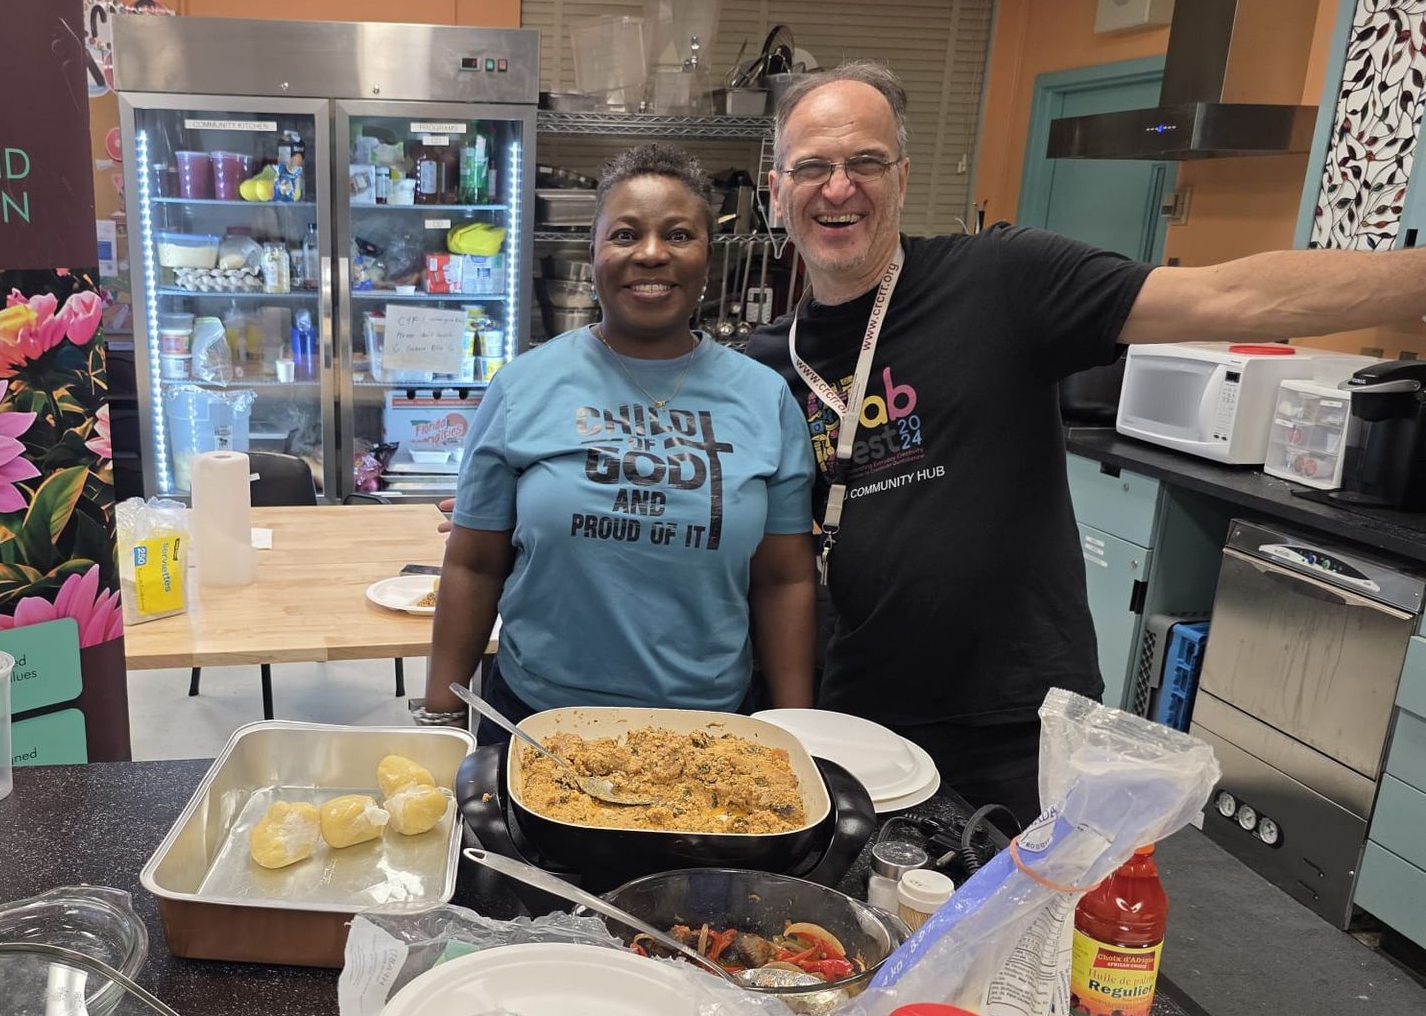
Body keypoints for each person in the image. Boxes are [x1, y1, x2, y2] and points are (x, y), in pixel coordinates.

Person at [748, 60, 1426, 823]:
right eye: (813, 167)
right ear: (778, 190)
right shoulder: (766, 364)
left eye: (866, 162)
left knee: (1025, 903)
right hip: (860, 713)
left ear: (901, 178)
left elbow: (1231, 294)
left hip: (1015, 717)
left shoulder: (1001, 280)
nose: (839, 188)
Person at [415, 144, 819, 743]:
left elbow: (783, 580)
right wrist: (441, 719)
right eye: (625, 234)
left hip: (710, 734)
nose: (651, 253)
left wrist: (796, 731)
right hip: (538, 725)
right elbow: (474, 564)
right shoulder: (523, 386)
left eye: (679, 235)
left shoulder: (766, 398)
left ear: (708, 259)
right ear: (594, 254)